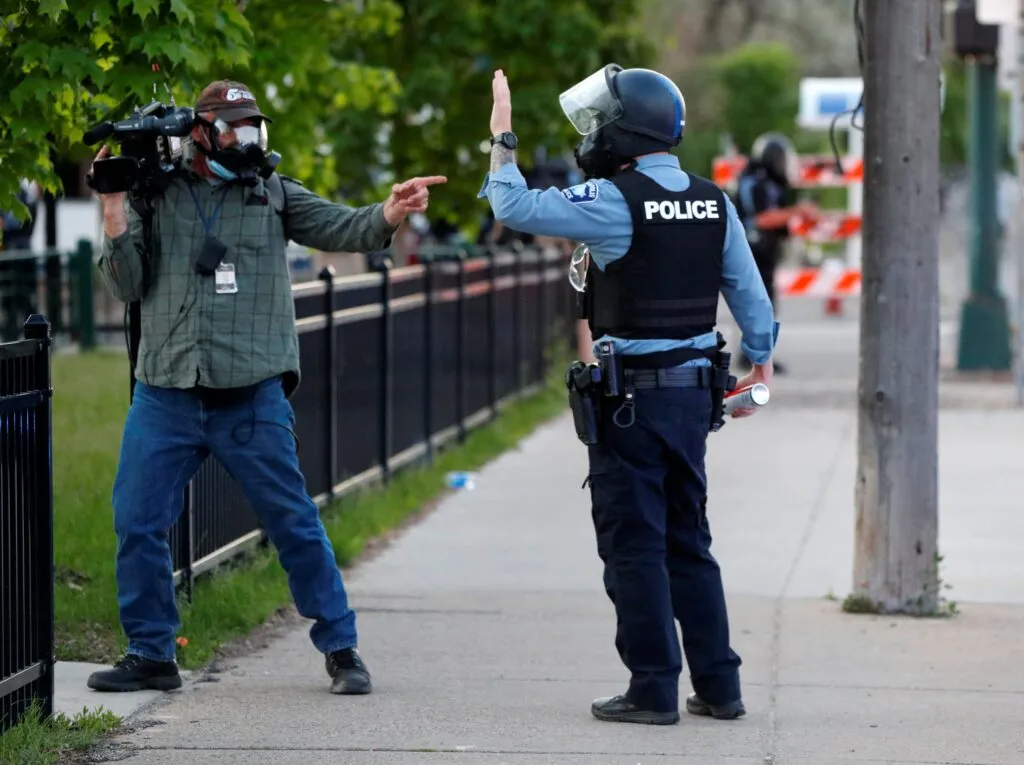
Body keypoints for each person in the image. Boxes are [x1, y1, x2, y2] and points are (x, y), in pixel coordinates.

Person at [86, 79, 446, 695]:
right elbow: (126, 285)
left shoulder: (271, 192)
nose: (247, 139)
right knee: (137, 523)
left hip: (250, 397)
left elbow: (341, 226)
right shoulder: (155, 195)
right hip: (167, 391)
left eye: (254, 127)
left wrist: (389, 211)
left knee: (293, 523)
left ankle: (341, 648)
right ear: (200, 132)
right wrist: (114, 208)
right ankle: (151, 653)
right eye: (234, 128)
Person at [479, 65, 778, 725]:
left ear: (625, 130)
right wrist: (760, 362)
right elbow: (752, 300)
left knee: (634, 546)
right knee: (689, 542)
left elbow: (514, 207)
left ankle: (652, 688)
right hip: (694, 400)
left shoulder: (615, 200)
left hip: (631, 406)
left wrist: (503, 138)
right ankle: (720, 687)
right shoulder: (713, 201)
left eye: (600, 121)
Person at [732, 132, 817, 373]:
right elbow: (763, 218)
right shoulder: (756, 182)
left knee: (763, 303)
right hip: (754, 249)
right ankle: (753, 357)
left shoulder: (764, 181)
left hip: (763, 249)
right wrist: (798, 211)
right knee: (758, 303)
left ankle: (755, 355)